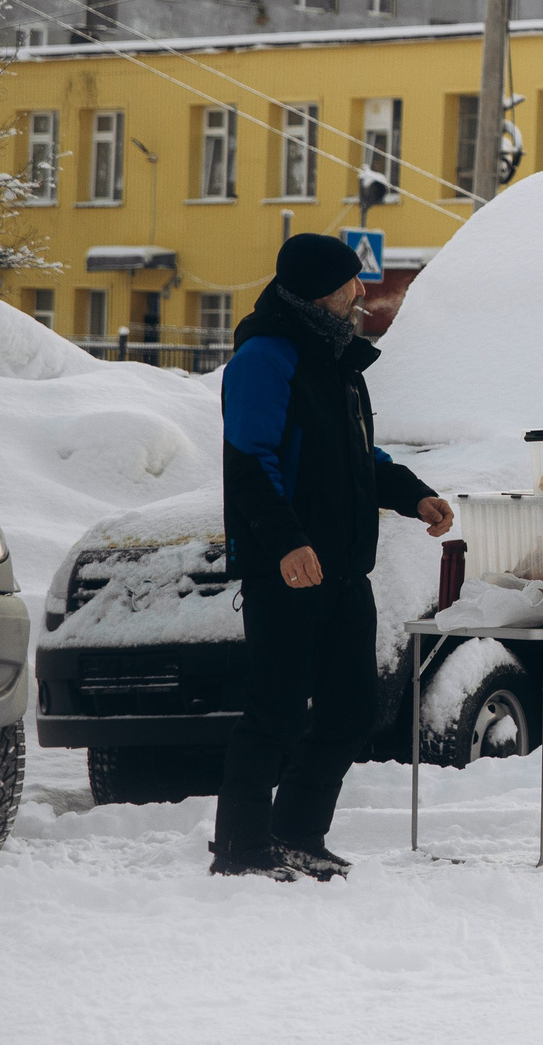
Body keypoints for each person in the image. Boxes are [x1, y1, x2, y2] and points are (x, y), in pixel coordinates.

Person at [213, 232, 453, 880]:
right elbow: (249, 461)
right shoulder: (267, 355)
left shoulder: (337, 359)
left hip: (345, 567)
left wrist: (411, 493)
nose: (362, 292)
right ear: (322, 290)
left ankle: (296, 832)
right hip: (287, 568)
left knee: (352, 709)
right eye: (351, 282)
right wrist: (287, 542)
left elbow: (356, 460)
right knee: (277, 710)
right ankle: (240, 845)